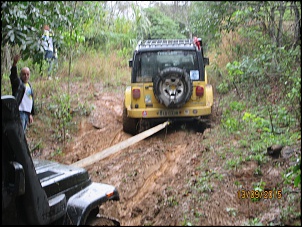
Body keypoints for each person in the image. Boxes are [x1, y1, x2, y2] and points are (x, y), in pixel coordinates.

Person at [10, 54, 35, 133]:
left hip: (26, 114)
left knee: (22, 134)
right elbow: (13, 76)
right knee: (19, 134)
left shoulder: (29, 86)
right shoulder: (18, 84)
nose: (26, 76)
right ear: (21, 75)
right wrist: (14, 64)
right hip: (20, 112)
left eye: (27, 74)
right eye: (24, 74)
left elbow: (30, 100)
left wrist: (30, 114)